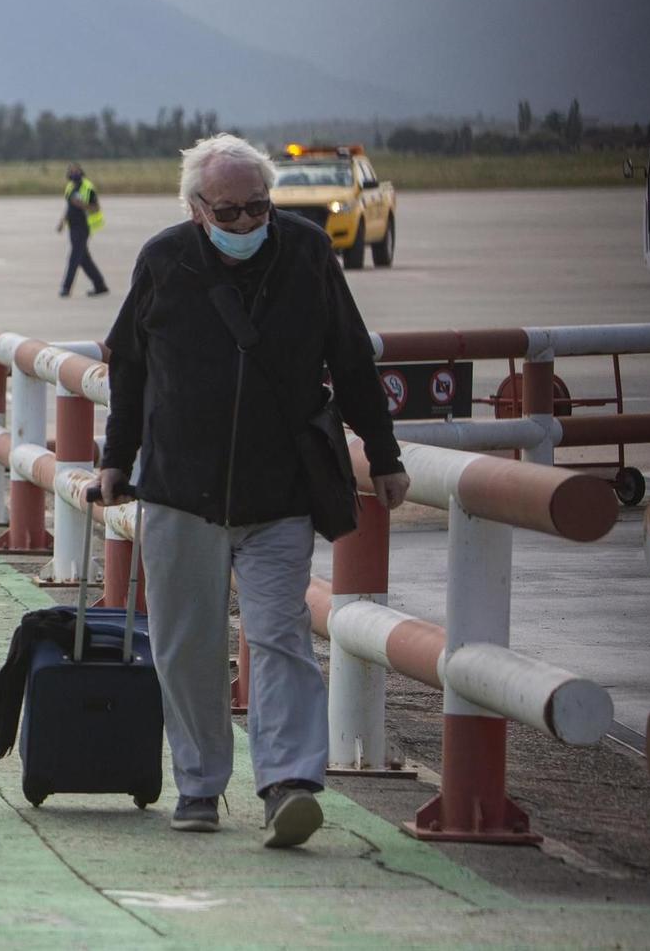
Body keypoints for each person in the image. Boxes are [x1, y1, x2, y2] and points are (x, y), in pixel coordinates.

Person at [94, 133, 409, 848]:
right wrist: (117, 459)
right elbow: (130, 369)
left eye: (257, 208)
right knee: (186, 645)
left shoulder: (304, 252)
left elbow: (352, 358)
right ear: (197, 207)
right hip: (179, 490)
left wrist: (383, 454)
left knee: (280, 635)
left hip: (279, 492)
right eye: (229, 211)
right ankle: (200, 784)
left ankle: (289, 782)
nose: (245, 224)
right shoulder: (164, 259)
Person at [57, 160, 109, 297]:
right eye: (71, 171)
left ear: (81, 172)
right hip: (72, 227)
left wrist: (82, 205)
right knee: (84, 259)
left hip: (83, 227)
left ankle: (66, 288)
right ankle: (100, 285)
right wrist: (63, 221)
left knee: (74, 257)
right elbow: (69, 206)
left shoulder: (88, 187)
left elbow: (96, 208)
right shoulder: (70, 186)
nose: (73, 173)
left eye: (76, 171)